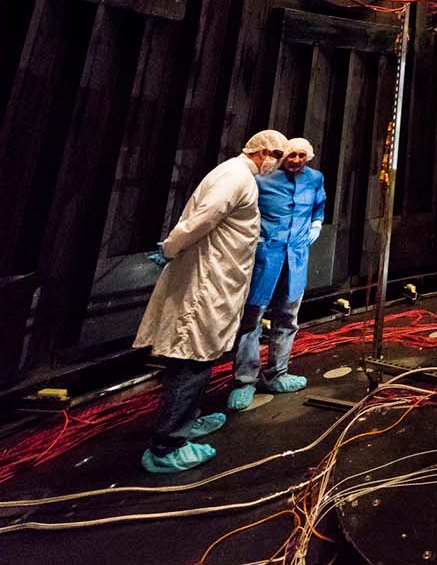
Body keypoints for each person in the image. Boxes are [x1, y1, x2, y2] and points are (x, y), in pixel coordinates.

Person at [134, 129, 289, 473]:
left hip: (216, 280)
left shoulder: (238, 177)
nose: (279, 163)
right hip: (206, 284)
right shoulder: (235, 177)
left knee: (198, 358)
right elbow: (201, 219)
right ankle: (168, 444)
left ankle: (187, 421)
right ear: (261, 151)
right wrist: (171, 248)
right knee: (191, 359)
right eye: (277, 155)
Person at [227, 137, 326, 411]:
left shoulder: (315, 179)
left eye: (301, 156)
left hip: (296, 258)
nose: (296, 160)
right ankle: (244, 380)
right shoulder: (262, 179)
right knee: (251, 319)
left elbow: (319, 207)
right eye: (291, 155)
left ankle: (277, 374)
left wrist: (316, 225)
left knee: (288, 316)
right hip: (265, 257)